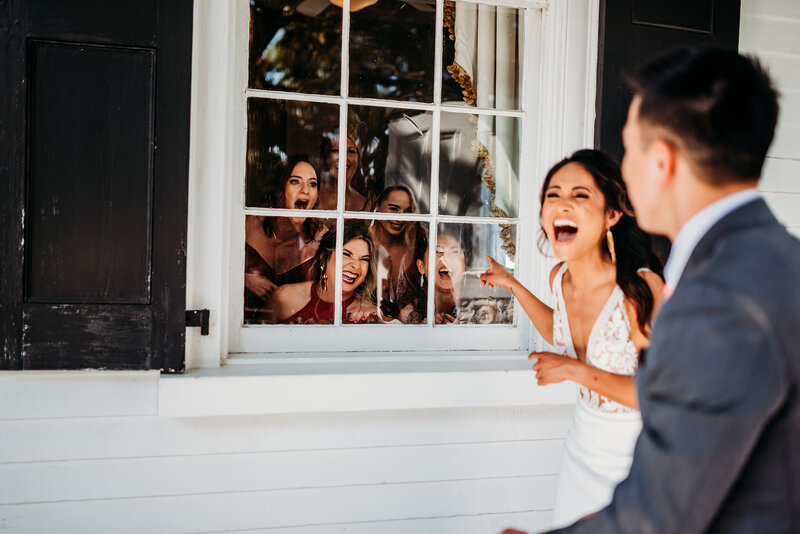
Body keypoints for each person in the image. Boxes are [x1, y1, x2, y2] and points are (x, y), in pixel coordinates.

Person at [506, 47, 800, 534]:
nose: (625, 168)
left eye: (628, 149)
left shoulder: (718, 299)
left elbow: (663, 513)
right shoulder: (777, 260)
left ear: (660, 161)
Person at [481, 149, 663, 527]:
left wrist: (575, 372)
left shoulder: (639, 289)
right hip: (582, 449)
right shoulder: (559, 279)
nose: (563, 203)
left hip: (639, 460)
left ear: (612, 214)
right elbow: (556, 330)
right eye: (553, 194)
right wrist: (512, 284)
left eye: (580, 195)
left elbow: (660, 395)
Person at [244, 156, 326, 323]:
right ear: (279, 188)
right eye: (295, 181)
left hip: (290, 329)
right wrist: (243, 278)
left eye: (312, 184)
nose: (305, 190)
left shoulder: (321, 237)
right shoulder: (250, 223)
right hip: (240, 325)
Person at [270, 223, 379, 324]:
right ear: (323, 257)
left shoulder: (369, 314)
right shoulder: (285, 297)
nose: (356, 266)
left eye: (364, 259)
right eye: (346, 254)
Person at [369, 185, 424, 322]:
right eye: (393, 209)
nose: (400, 218)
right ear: (377, 206)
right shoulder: (361, 244)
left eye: (407, 211)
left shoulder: (415, 243)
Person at [319, 134, 369, 212]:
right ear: (326, 157)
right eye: (336, 150)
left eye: (351, 151)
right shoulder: (313, 200)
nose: (343, 157)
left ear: (358, 160)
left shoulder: (365, 204)